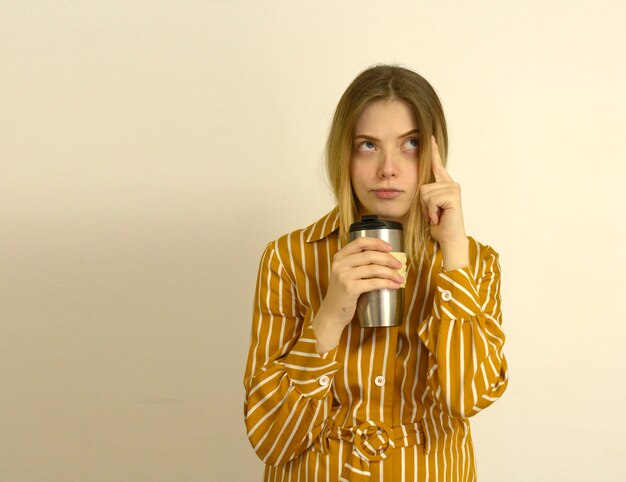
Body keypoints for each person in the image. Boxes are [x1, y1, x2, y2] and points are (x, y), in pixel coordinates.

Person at [243, 64, 508, 481]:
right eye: (368, 145)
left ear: (435, 152)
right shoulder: (289, 257)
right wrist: (330, 315)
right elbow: (271, 439)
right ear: (344, 155)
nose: (388, 168)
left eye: (411, 144)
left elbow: (467, 396)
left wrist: (453, 253)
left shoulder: (474, 262)